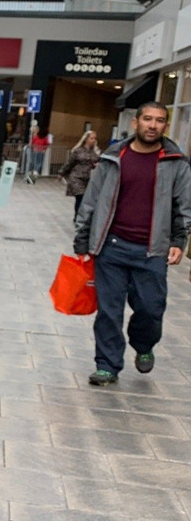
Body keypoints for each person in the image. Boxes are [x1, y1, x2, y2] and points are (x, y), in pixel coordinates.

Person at [73, 101, 191, 386]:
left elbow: (183, 205)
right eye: (147, 119)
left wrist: (179, 239)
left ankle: (144, 344)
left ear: (165, 125)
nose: (153, 125)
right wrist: (82, 238)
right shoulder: (114, 157)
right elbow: (92, 198)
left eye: (160, 120)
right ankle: (107, 365)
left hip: (152, 250)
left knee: (151, 310)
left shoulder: (175, 161)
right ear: (135, 123)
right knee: (109, 311)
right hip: (111, 246)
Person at [59, 129, 100, 220]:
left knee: (86, 199)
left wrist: (97, 165)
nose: (93, 140)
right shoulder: (78, 151)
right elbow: (70, 163)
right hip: (77, 177)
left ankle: (81, 216)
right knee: (80, 197)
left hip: (88, 179)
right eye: (91, 138)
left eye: (95, 138)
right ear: (86, 139)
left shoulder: (95, 152)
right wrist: (62, 172)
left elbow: (99, 162)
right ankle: (77, 216)